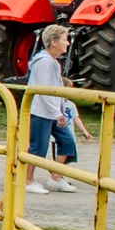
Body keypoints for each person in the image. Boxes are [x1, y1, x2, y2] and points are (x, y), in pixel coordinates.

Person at [26, 25, 77, 194]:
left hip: (54, 111)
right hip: (42, 111)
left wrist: (59, 110)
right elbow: (44, 89)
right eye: (64, 40)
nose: (68, 43)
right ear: (53, 42)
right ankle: (27, 180)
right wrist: (57, 113)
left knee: (67, 141)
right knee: (38, 147)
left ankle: (55, 176)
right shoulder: (44, 62)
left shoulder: (54, 62)